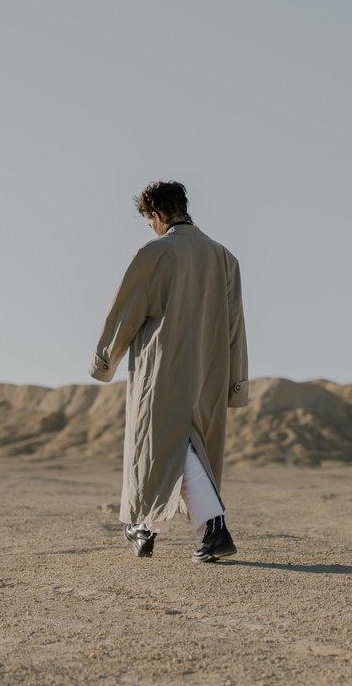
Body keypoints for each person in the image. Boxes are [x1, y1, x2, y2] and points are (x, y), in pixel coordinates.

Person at [90, 181, 249, 562]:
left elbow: (126, 312)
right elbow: (235, 326)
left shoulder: (155, 252)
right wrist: (236, 383)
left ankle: (214, 529)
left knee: (167, 445)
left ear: (157, 216)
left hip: (162, 368)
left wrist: (104, 360)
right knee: (178, 447)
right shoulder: (224, 257)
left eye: (149, 222)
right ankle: (144, 527)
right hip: (210, 369)